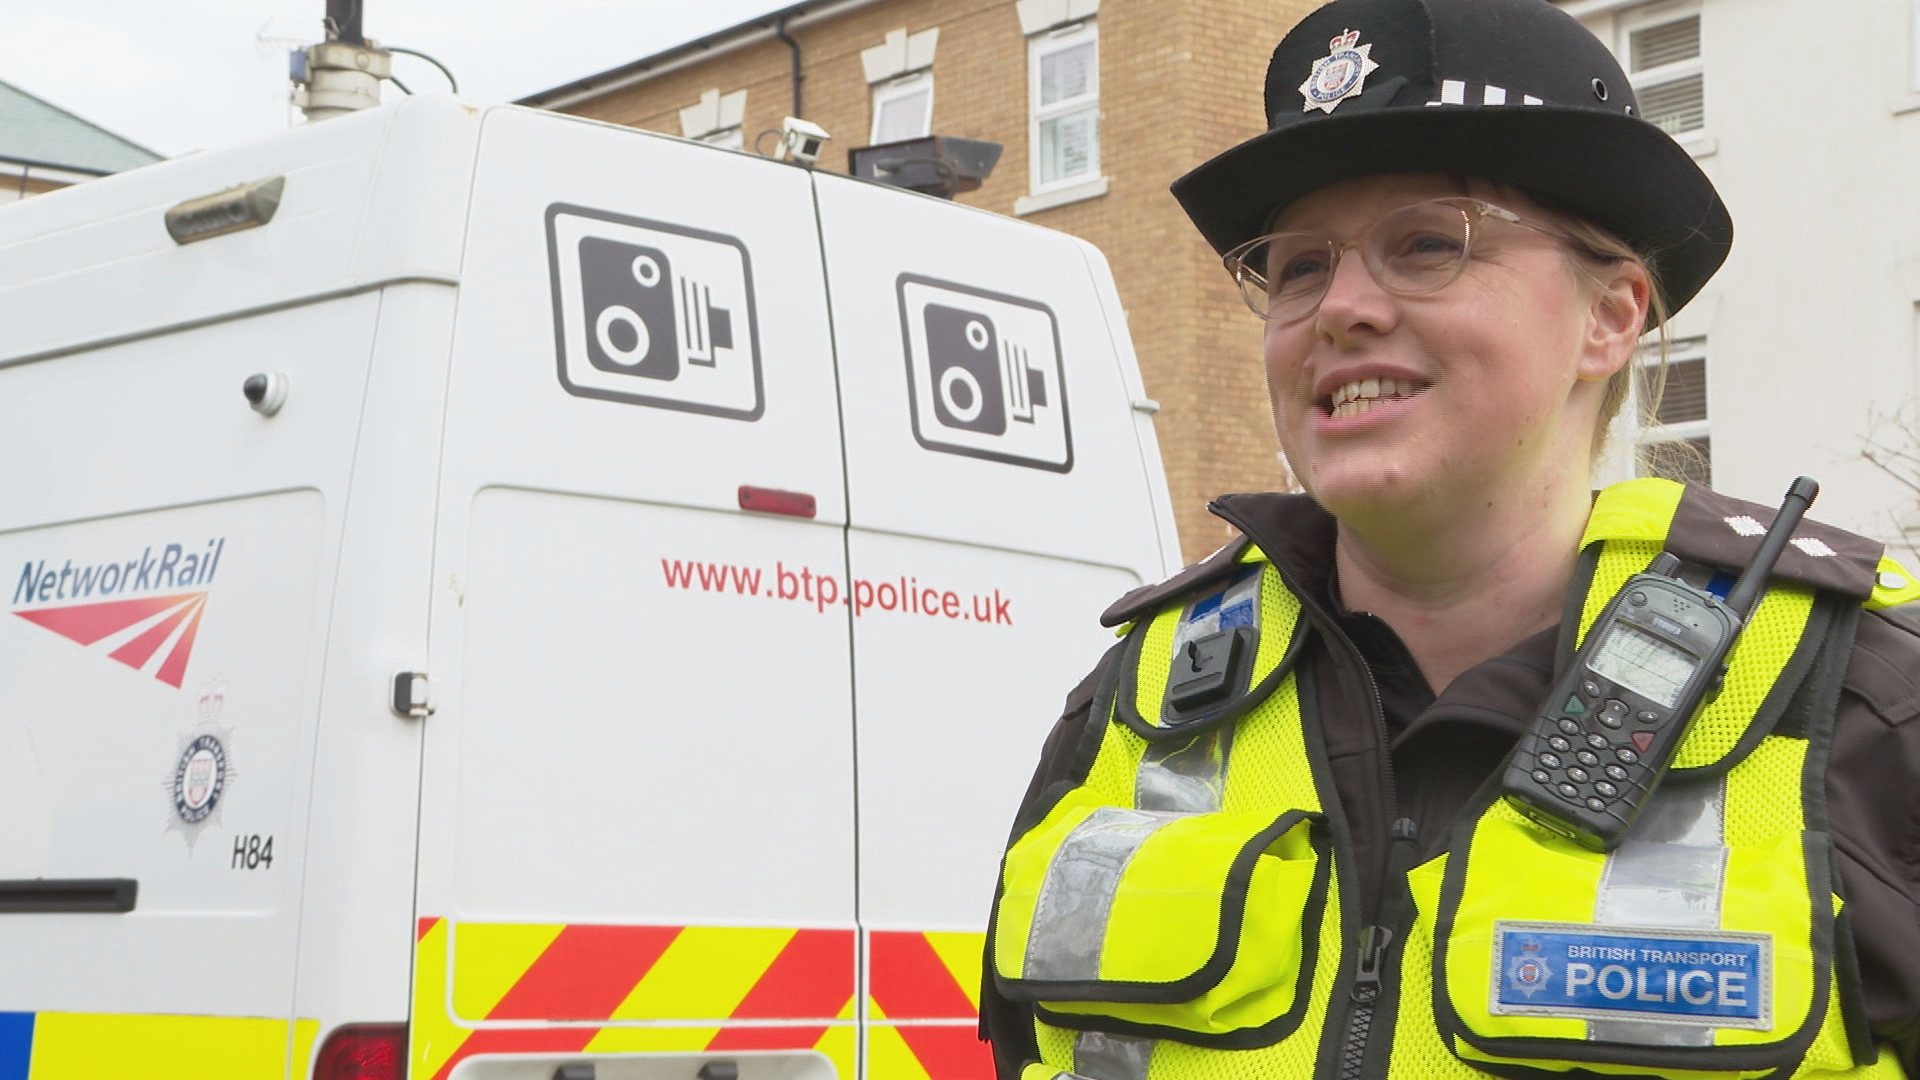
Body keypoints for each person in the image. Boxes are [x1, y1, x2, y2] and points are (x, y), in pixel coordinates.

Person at [978, 1, 1920, 1078]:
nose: (1341, 308)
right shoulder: (1132, 708)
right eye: (1296, 267)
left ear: (1610, 316)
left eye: (1427, 243)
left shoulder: (1865, 704)